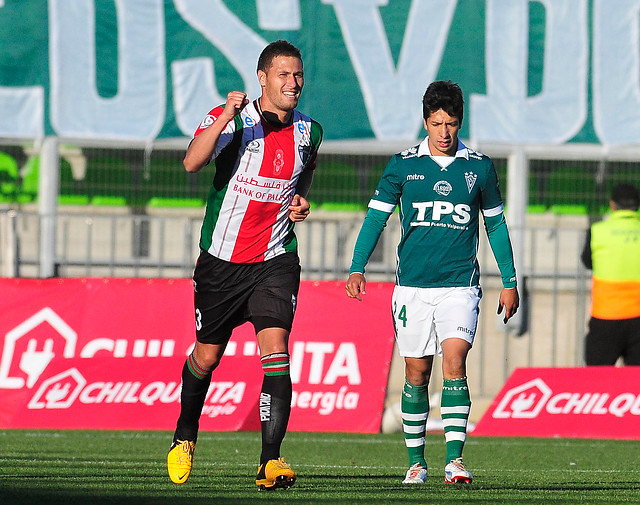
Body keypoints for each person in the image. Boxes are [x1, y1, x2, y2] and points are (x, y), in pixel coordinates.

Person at [167, 39, 323, 490]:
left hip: (275, 259)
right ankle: (185, 434)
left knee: (277, 357)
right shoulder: (235, 121)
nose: (293, 83)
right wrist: (223, 118)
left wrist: (298, 200)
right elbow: (192, 163)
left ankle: (269, 463)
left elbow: (306, 168)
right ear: (262, 78)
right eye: (283, 75)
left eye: (298, 75)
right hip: (221, 264)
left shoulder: (310, 131)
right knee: (207, 355)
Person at [345, 80, 519, 485]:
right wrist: (357, 267)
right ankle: (416, 462)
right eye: (437, 123)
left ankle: (455, 462)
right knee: (417, 373)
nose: (444, 133)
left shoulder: (479, 167)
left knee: (455, 360)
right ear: (426, 121)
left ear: (461, 122)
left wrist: (510, 280)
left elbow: (495, 224)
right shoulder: (404, 165)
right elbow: (376, 218)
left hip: (460, 286)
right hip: (412, 289)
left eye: (452, 123)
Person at [581, 183, 640, 365]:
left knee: (597, 381)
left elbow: (587, 261)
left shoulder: (597, 231)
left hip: (605, 317)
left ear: (612, 205)